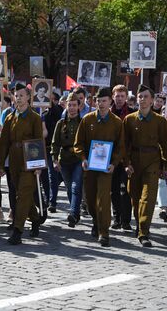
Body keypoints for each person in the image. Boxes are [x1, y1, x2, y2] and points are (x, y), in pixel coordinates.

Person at [74, 87, 125, 247]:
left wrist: (114, 163)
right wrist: (83, 158)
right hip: (90, 168)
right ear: (94, 102)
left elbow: (120, 146)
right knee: (90, 200)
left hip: (105, 169)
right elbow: (78, 143)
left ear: (110, 102)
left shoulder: (117, 123)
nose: (101, 104)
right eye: (98, 101)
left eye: (104, 101)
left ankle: (104, 232)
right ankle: (96, 221)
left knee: (103, 199)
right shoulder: (87, 120)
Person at [124, 84, 167, 247]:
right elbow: (124, 144)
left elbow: (165, 144)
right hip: (134, 162)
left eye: (146, 96)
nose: (142, 99)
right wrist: (126, 163)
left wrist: (165, 166)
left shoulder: (159, 121)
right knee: (135, 197)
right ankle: (139, 224)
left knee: (148, 197)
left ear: (152, 100)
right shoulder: (129, 119)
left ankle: (144, 232)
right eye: (140, 96)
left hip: (152, 161)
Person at [0, 83, 43, 245]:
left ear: (29, 98)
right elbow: (3, 143)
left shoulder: (35, 118)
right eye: (16, 95)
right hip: (14, 161)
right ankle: (35, 218)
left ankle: (18, 230)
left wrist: (38, 166)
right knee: (22, 194)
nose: (19, 98)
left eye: (22, 95)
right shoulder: (10, 118)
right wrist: (0, 164)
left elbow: (38, 141)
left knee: (23, 194)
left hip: (29, 161)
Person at [52, 93, 83, 227]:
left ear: (78, 107)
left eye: (74, 105)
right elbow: (55, 143)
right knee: (70, 188)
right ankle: (75, 213)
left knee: (76, 187)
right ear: (65, 106)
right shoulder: (60, 123)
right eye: (69, 105)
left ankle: (73, 213)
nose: (71, 108)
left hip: (78, 159)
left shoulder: (83, 122)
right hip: (64, 160)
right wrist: (54, 160)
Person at [110, 85, 132, 231]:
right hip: (110, 157)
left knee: (126, 191)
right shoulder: (108, 113)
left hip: (125, 158)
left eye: (122, 96)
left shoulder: (131, 114)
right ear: (113, 97)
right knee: (113, 190)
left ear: (126, 98)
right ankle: (116, 218)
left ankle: (126, 220)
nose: (119, 99)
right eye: (117, 96)